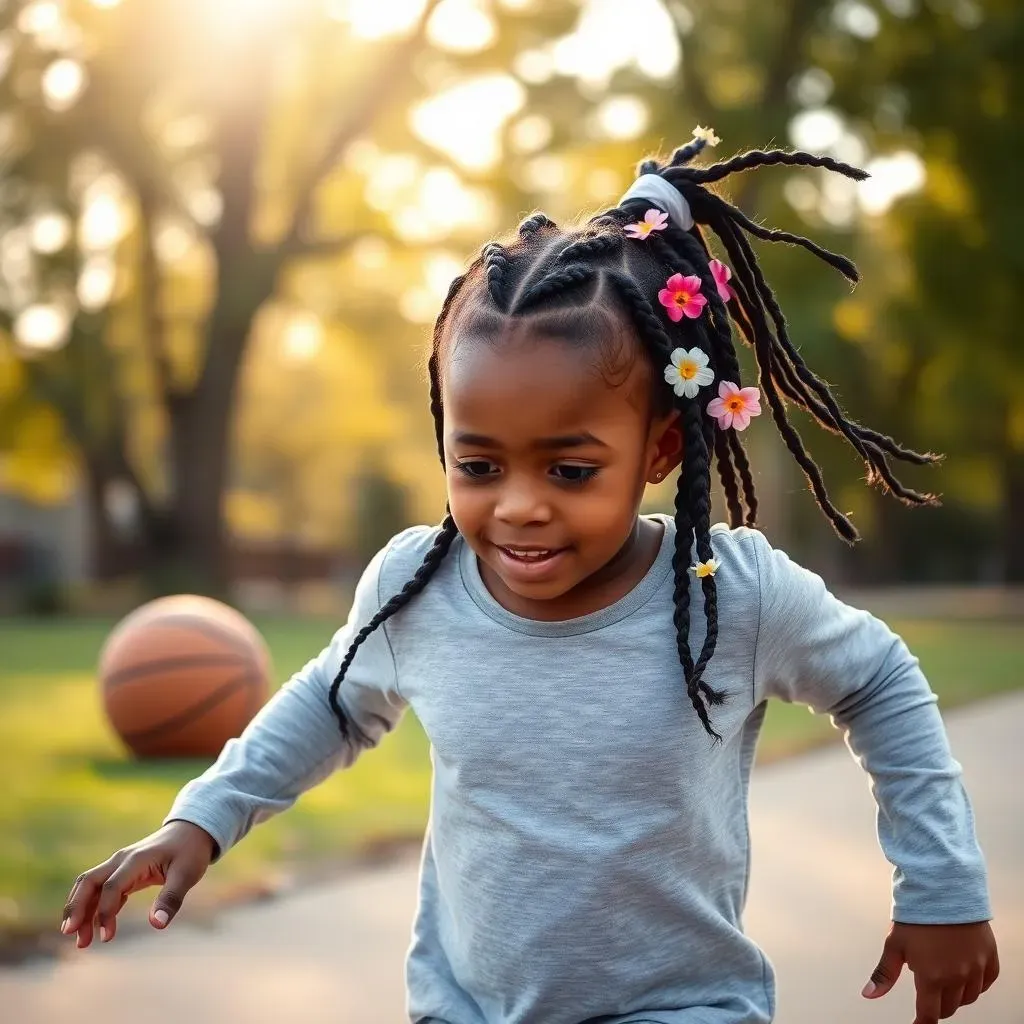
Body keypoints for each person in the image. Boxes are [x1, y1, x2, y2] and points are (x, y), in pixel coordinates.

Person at [61, 128, 1000, 1024]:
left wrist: (943, 884)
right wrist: (202, 820)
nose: (518, 506)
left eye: (569, 469)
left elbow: (880, 681)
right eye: (477, 465)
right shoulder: (417, 587)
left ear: (661, 449)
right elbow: (333, 702)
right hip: (465, 1007)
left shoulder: (727, 589)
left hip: (677, 1009)